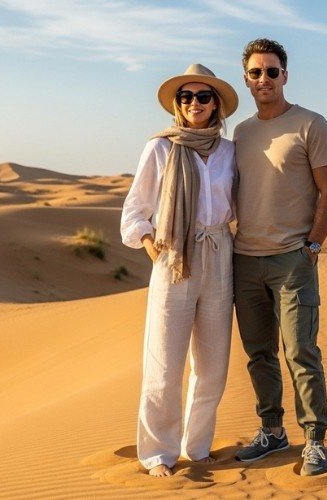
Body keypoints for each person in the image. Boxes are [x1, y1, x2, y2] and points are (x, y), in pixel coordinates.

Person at [120, 64, 239, 477]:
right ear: (177, 104)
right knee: (164, 362)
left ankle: (198, 446)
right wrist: (158, 252)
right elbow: (135, 212)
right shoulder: (160, 148)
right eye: (186, 97)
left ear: (216, 103)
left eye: (203, 96)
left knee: (212, 364)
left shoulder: (229, 151)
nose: (194, 104)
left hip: (220, 251)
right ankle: (158, 455)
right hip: (174, 255)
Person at [232, 38, 327, 477]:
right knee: (258, 354)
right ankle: (272, 431)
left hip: (293, 259)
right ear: (246, 79)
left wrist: (313, 246)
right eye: (256, 73)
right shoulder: (239, 132)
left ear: (285, 75)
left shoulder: (311, 124)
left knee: (300, 352)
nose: (264, 80)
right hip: (244, 259)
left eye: (271, 71)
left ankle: (314, 440)